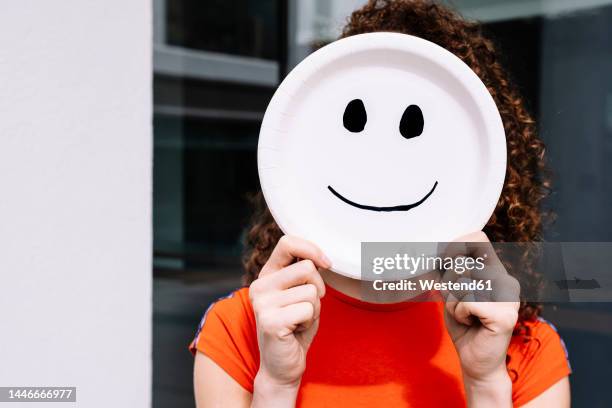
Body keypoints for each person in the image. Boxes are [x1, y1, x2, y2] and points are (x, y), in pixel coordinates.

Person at [190, 1, 571, 406]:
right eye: (354, 120)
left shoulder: (524, 349)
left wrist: (486, 383)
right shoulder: (242, 330)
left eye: (414, 127)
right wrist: (276, 385)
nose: (382, 161)